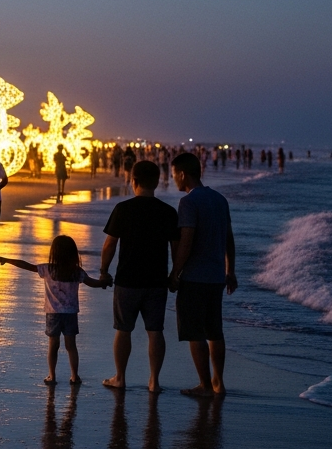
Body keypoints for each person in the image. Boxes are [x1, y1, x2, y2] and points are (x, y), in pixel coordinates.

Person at [99, 161, 178, 392]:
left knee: (123, 329)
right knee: (155, 331)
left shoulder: (123, 209)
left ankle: (120, 377)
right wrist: (174, 275)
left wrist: (104, 271)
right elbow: (176, 247)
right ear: (157, 182)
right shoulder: (167, 211)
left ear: (133, 181)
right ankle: (154, 380)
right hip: (157, 280)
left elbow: (109, 245)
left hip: (128, 279)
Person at [168, 152, 236, 397]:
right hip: (216, 277)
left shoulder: (189, 202)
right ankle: (219, 383)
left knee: (195, 333)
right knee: (215, 332)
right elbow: (229, 238)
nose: (173, 178)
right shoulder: (219, 199)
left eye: (174, 173)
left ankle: (205, 385)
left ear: (183, 174)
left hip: (195, 278)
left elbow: (186, 240)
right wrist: (231, 270)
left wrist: (176, 272)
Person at [0, 235, 108, 384]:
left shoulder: (47, 269)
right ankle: (75, 376)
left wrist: (8, 260)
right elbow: (92, 283)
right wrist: (104, 282)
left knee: (53, 345)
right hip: (70, 314)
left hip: (53, 314)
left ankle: (52, 376)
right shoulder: (76, 272)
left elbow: (27, 265)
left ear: (54, 253)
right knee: (71, 346)